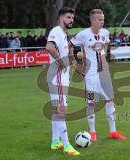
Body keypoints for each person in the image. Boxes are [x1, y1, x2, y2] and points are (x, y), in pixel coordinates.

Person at [69, 9, 126, 142]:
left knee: (110, 101)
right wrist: (74, 64)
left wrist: (104, 53)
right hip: (90, 76)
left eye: (103, 19)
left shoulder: (105, 33)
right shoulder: (83, 34)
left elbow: (106, 44)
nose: (102, 22)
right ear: (93, 20)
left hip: (104, 73)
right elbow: (69, 45)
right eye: (100, 20)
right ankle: (92, 133)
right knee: (91, 103)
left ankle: (113, 131)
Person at [45, 7, 80, 156]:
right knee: (61, 111)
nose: (71, 20)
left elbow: (66, 51)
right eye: (68, 17)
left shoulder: (64, 34)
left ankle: (55, 141)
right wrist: (61, 62)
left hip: (61, 76)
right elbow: (49, 47)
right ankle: (67, 145)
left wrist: (74, 64)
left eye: (72, 18)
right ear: (61, 18)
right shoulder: (56, 31)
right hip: (58, 76)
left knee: (57, 110)